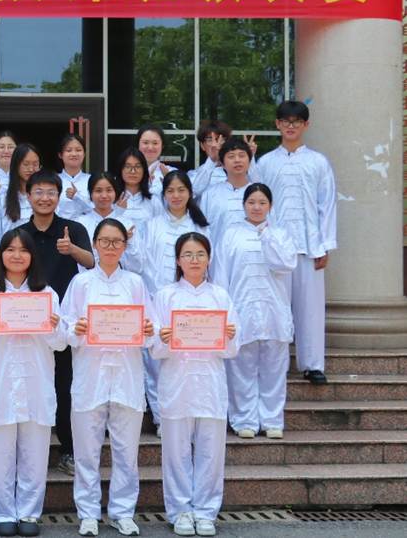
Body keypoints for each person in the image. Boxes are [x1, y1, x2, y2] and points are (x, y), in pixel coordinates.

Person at [0, 229, 66, 537]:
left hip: (36, 384)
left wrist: (54, 326)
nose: (17, 255)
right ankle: (2, 513)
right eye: (10, 249)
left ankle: (29, 513)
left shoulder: (46, 295)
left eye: (23, 250)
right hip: (0, 385)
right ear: (1, 256)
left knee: (35, 453)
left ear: (32, 256)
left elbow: (61, 344)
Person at [61, 218, 156, 538]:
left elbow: (152, 329)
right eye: (105, 241)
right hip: (90, 376)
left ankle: (122, 512)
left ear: (125, 247)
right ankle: (88, 513)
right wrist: (76, 329)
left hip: (127, 376)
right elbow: (64, 327)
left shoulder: (135, 283)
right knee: (86, 451)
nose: (111, 247)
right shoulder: (81, 283)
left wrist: (147, 329)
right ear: (95, 245)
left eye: (117, 242)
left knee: (126, 451)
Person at [152, 232, 239, 537]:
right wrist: (163, 338)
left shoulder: (220, 296)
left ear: (209, 259)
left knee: (210, 452)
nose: (194, 260)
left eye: (200, 254)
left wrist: (229, 336)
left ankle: (205, 512)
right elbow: (154, 349)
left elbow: (233, 349)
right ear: (178, 260)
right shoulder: (165, 296)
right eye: (187, 255)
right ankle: (180, 511)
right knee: (176, 452)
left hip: (211, 383)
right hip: (177, 382)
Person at [255, 100, 337, 385]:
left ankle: (312, 364)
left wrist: (325, 244)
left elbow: (327, 204)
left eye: (297, 121)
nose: (291, 126)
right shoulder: (265, 163)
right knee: (275, 308)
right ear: (277, 124)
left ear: (306, 125)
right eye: (286, 121)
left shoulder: (318, 162)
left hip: (309, 246)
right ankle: (274, 364)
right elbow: (257, 204)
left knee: (310, 310)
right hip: (276, 248)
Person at [17, 171, 94, 476]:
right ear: (28, 195)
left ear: (59, 196)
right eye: (38, 192)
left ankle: (68, 449)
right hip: (26, 320)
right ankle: (24, 451)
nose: (45, 198)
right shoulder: (20, 233)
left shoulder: (72, 229)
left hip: (62, 319)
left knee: (64, 385)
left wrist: (71, 250)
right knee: (28, 382)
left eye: (51, 192)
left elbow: (91, 262)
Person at [122, 171, 209, 432]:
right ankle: (163, 418)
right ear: (163, 195)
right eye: (170, 191)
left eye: (181, 190)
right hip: (158, 299)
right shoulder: (152, 225)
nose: (176, 195)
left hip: (193, 301)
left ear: (190, 193)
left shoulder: (201, 226)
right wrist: (131, 242)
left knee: (190, 361)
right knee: (156, 362)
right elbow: (139, 263)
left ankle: (192, 416)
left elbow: (209, 264)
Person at [213, 184, 297, 440]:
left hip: (274, 311)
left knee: (274, 369)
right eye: (251, 202)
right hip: (242, 310)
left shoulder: (281, 234)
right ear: (244, 205)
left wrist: (267, 236)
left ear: (270, 206)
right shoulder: (230, 235)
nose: (257, 207)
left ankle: (272, 420)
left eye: (262, 203)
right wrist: (223, 312)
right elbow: (221, 276)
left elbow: (286, 264)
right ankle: (244, 419)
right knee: (241, 369)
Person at [0, 143, 42, 283]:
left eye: (35, 164)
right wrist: (0, 253)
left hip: (38, 266)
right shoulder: (2, 198)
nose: (31, 169)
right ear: (16, 165)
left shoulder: (45, 199)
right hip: (6, 266)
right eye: (26, 164)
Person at [199, 138, 254, 247]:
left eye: (242, 155)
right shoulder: (210, 194)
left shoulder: (259, 193)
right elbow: (202, 230)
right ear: (222, 164)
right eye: (231, 156)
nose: (237, 160)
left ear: (249, 161)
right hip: (217, 254)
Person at [190, 120, 260, 199]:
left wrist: (248, 156)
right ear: (202, 145)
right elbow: (194, 192)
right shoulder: (194, 174)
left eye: (221, 139)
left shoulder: (239, 170)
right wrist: (212, 160)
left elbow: (259, 189)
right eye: (210, 140)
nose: (215, 144)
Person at [76, 172, 134, 256]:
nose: (104, 195)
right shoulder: (80, 223)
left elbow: (137, 261)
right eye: (98, 191)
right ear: (90, 193)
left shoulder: (127, 224)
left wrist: (127, 242)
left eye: (109, 190)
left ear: (115, 192)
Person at [113, 147, 160, 230]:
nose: (133, 171)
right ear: (120, 170)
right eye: (128, 166)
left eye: (137, 167)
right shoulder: (112, 199)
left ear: (144, 170)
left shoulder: (153, 200)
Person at [57, 134, 93, 221]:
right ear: (60, 155)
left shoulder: (91, 180)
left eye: (78, 150)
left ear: (84, 154)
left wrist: (77, 197)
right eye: (69, 150)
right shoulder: (53, 180)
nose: (74, 154)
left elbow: (97, 209)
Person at [138, 125, 176, 196]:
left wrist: (169, 181)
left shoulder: (172, 173)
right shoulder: (128, 173)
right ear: (138, 144)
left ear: (162, 146)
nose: (150, 148)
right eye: (145, 143)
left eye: (155, 143)